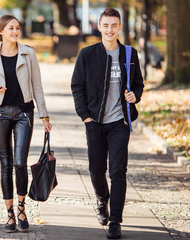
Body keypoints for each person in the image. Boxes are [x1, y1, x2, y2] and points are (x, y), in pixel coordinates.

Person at [71, 8, 144, 239]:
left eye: (114, 25)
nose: (110, 30)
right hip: (95, 122)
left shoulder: (130, 54)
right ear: (99, 27)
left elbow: (138, 85)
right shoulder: (87, 54)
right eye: (106, 25)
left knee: (118, 171)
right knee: (96, 170)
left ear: (119, 27)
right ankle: (102, 200)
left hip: (120, 122)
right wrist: (86, 117)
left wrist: (135, 96)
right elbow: (77, 86)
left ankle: (115, 220)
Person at [0, 15, 52, 233]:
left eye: (17, 28)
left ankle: (22, 209)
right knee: (5, 164)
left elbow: (37, 86)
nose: (15, 32)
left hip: (24, 114)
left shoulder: (28, 53)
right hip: (0, 114)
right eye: (11, 28)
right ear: (1, 31)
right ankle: (9, 213)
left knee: (20, 163)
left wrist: (44, 115)